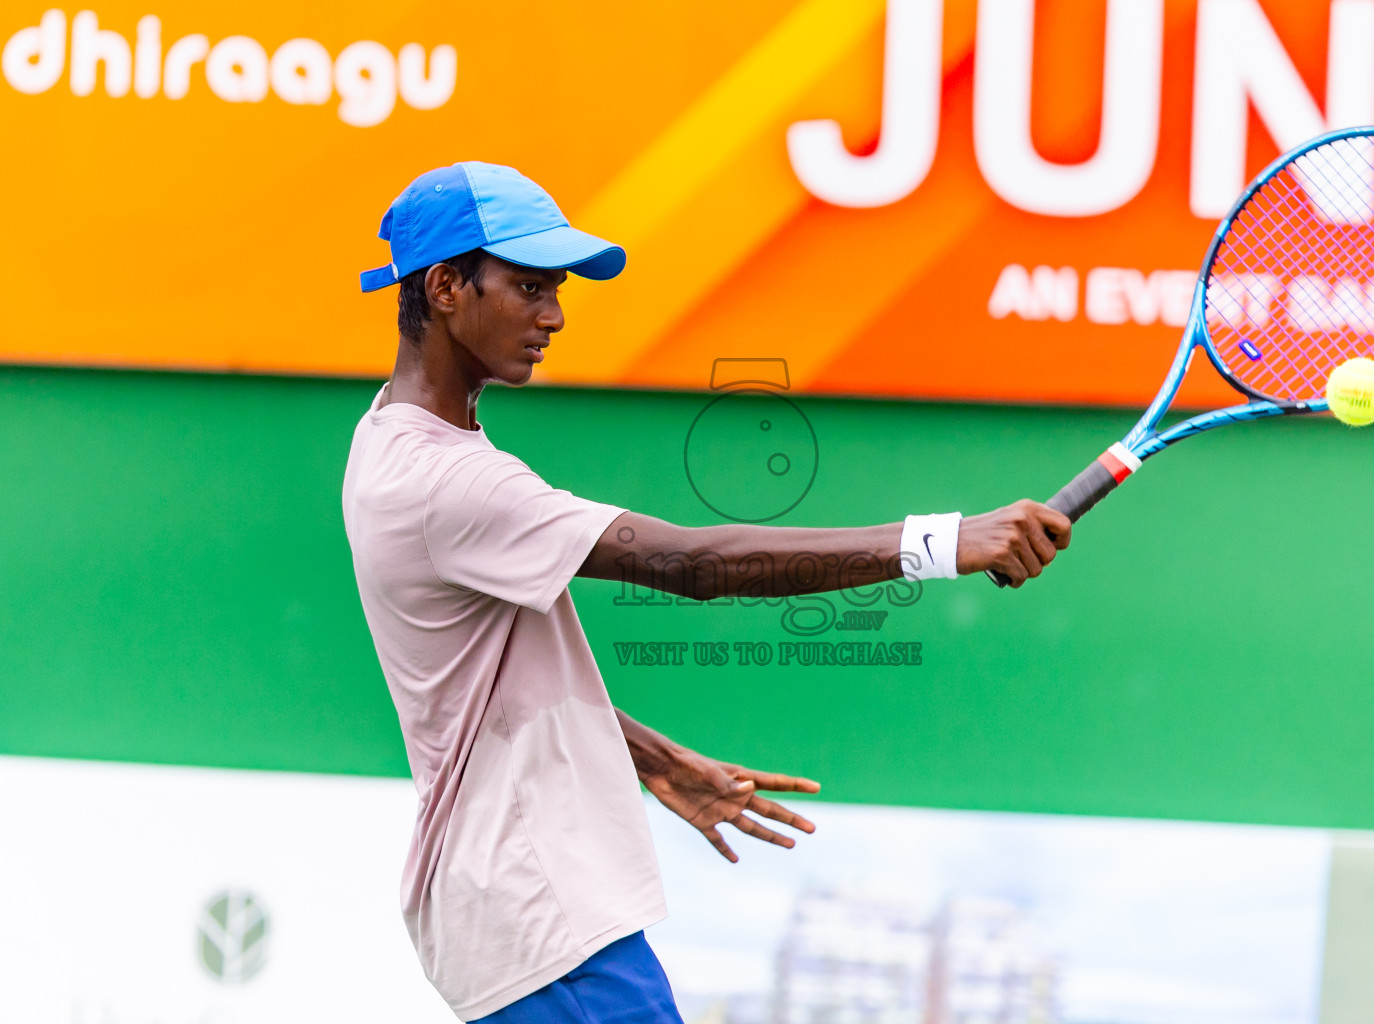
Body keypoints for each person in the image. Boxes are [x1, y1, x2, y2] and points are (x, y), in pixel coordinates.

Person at [341, 162, 1071, 1024]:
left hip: (524, 915)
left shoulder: (390, 436)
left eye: (559, 289)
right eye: (529, 286)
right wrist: (944, 541)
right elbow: (692, 564)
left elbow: (486, 689)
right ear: (446, 287)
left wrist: (652, 758)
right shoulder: (443, 481)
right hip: (539, 916)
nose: (555, 314)